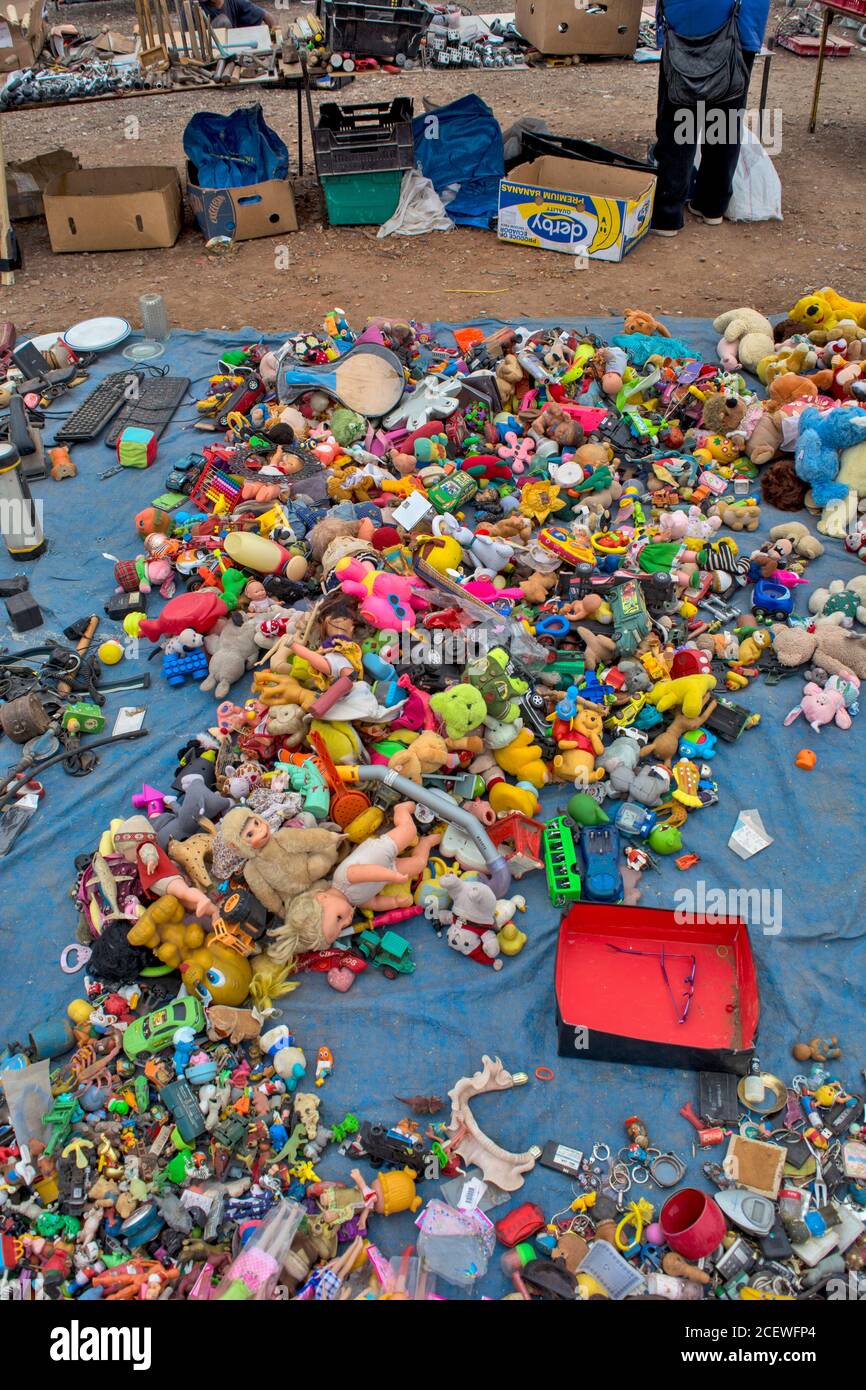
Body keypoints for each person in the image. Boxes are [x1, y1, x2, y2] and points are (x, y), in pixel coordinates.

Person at [650, 0, 770, 236]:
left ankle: (667, 214)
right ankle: (712, 206)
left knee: (678, 122)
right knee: (724, 122)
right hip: (740, 23)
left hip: (687, 23)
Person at [198, 0, 276, 30]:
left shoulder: (234, 2)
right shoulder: (195, 5)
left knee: (223, 21)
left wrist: (275, 33)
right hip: (209, 52)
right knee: (222, 21)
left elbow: (265, 15)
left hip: (231, 50)